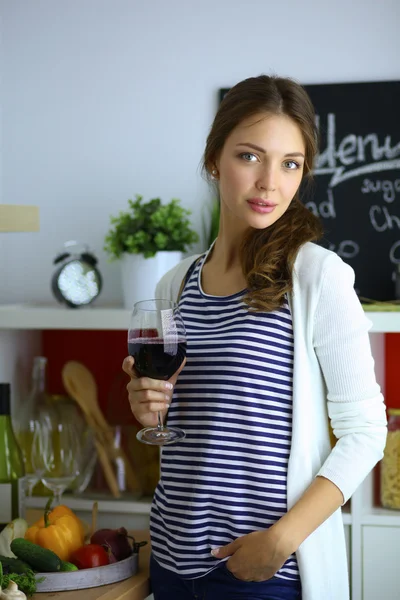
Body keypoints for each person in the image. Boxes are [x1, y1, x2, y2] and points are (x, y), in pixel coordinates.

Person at [123, 74, 387, 600]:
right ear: (213, 160)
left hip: (262, 571)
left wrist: (282, 541)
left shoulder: (315, 277)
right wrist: (149, 407)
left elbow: (366, 432)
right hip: (172, 560)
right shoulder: (173, 284)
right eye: (250, 156)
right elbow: (190, 424)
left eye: (290, 163)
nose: (270, 182)